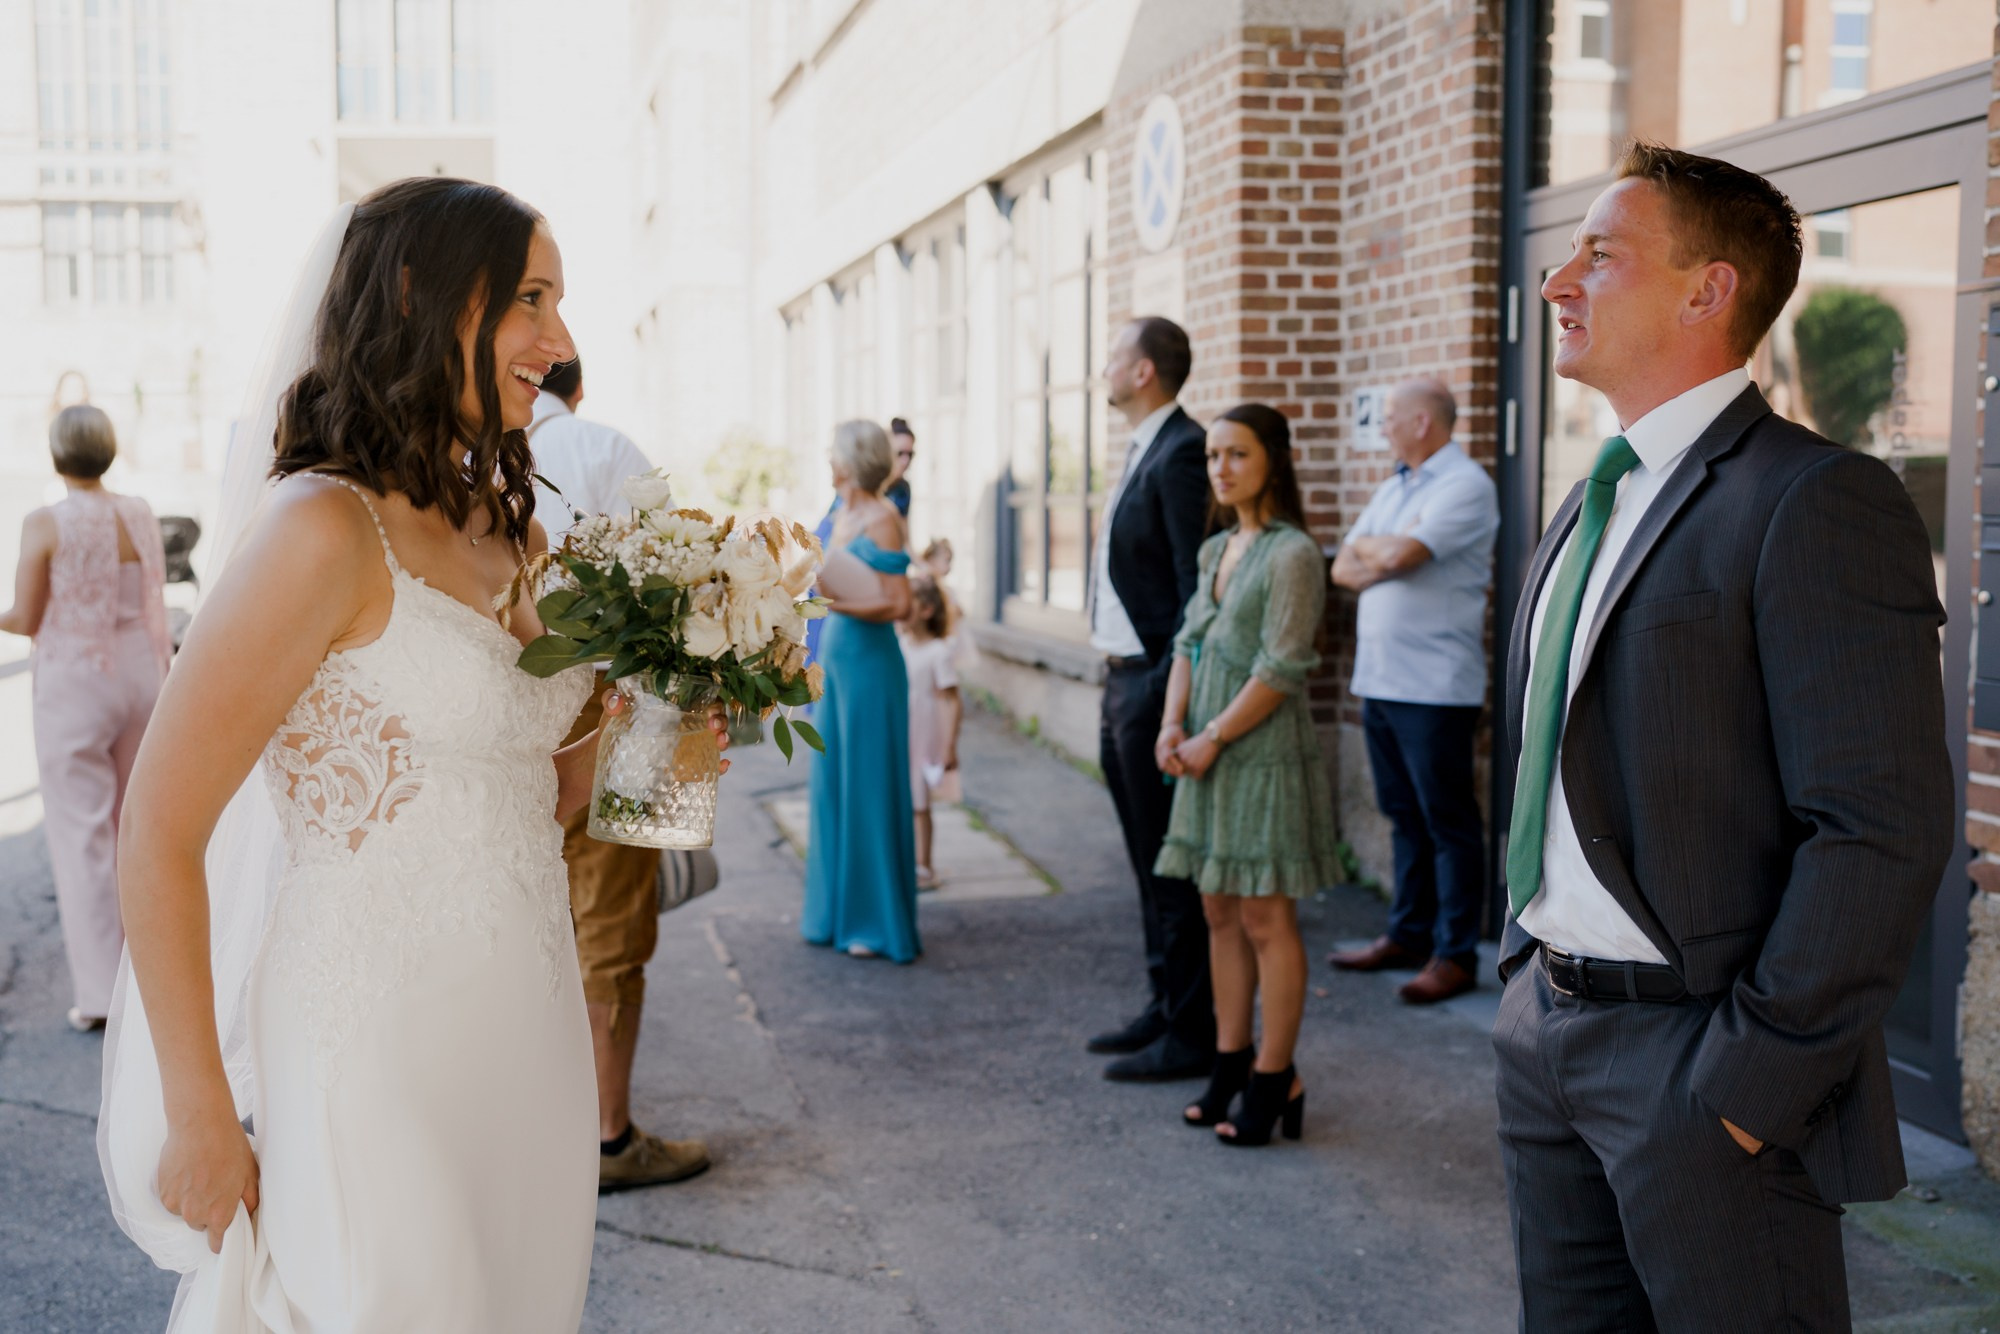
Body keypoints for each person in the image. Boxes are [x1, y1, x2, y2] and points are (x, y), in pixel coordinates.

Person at [100, 178, 725, 1331]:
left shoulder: (516, 530)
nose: (563, 339)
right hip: (371, 1040)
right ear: (418, 298)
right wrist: (200, 1104)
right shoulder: (320, 530)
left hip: (524, 1033)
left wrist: (684, 714)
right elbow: (159, 827)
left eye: (561, 301)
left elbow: (570, 793)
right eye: (530, 298)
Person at [1495, 142, 1951, 1330]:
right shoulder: (1592, 493)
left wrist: (1750, 1083)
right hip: (1544, 1031)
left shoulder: (1815, 499)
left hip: (1699, 1066)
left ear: (1707, 290)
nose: (1556, 284)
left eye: (1598, 255)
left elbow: (1876, 826)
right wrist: (1520, 972)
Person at [528, 355, 709, 1190]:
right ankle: (607, 1137)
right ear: (580, 387)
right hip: (617, 700)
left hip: (506, 702)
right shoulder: (606, 449)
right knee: (611, 926)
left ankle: (537, 1124)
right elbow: (680, 592)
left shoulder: (466, 460)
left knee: (520, 909)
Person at [1157, 404, 1340, 1146]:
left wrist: (1209, 737)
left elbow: (1282, 668)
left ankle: (1275, 1076)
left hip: (1258, 757)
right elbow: (1187, 646)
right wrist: (1173, 726)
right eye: (1211, 457)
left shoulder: (1293, 553)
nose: (1221, 469)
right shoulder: (1218, 550)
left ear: (1274, 459)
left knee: (1267, 918)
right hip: (1203, 751)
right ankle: (1231, 1066)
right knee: (1218, 913)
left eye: (1236, 454)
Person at [0, 405, 171, 1031]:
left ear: (56, 456)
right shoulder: (139, 511)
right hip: (143, 674)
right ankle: (148, 976)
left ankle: (101, 996)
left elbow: (24, 617)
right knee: (138, 829)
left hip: (77, 683)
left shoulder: (44, 522)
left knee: (82, 835)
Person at [1328, 379, 1497, 1004]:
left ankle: (1454, 956)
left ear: (1423, 422)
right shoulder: (1396, 485)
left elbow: (1401, 555)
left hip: (1434, 687)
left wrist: (1380, 552)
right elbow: (1344, 566)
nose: (1386, 428)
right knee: (1402, 817)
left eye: (1392, 417)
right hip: (1381, 680)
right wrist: (1378, 552)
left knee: (1447, 821)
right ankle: (1407, 933)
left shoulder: (1465, 486)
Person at [1085, 316, 1216, 1083]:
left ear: (1143, 373)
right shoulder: (1143, 447)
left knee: (1169, 865)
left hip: (1150, 685)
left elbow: (1188, 590)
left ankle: (1191, 1032)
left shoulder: (1182, 451)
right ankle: (1164, 1006)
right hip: (1118, 681)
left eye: (1112, 356)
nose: (1102, 368)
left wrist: (1171, 695)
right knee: (1143, 858)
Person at [802, 419, 919, 961]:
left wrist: (836, 607)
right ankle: (833, 914)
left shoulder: (882, 518)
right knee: (832, 784)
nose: (829, 460)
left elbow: (900, 605)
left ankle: (873, 924)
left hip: (872, 665)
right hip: (838, 661)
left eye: (834, 453)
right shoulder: (841, 514)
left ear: (849, 461)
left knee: (868, 787)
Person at [900, 574, 963, 889]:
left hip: (925, 732)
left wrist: (950, 745)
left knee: (920, 800)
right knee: (904, 797)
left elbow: (952, 700)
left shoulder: (939, 652)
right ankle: (906, 860)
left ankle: (924, 866)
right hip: (903, 730)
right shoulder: (900, 645)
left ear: (925, 610)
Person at [886, 417, 916, 517]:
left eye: (910, 454)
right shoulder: (867, 484)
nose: (905, 461)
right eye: (899, 453)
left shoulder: (903, 488)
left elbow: (903, 529)